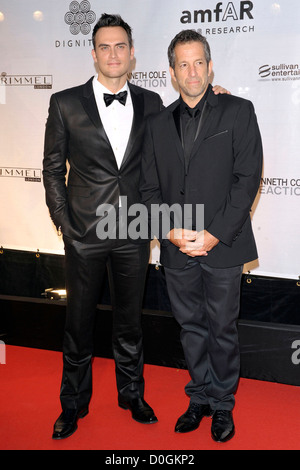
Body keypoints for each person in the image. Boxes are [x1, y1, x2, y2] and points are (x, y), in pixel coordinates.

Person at [43, 14, 229, 440]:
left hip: (134, 231)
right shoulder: (65, 103)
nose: (113, 54)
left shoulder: (151, 104)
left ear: (132, 54)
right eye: (104, 47)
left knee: (130, 322)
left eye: (120, 47)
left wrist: (217, 97)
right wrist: (65, 225)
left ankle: (132, 394)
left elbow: (190, 120)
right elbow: (52, 169)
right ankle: (73, 403)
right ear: (93, 54)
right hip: (84, 234)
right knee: (78, 323)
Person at [140, 29, 263, 443]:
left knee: (222, 328)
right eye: (182, 64)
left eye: (198, 63)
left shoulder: (239, 111)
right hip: (177, 248)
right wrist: (168, 231)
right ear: (172, 72)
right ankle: (200, 397)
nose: (191, 72)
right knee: (191, 327)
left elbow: (247, 180)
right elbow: (149, 187)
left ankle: (223, 404)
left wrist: (213, 235)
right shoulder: (156, 123)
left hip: (223, 245)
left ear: (210, 67)